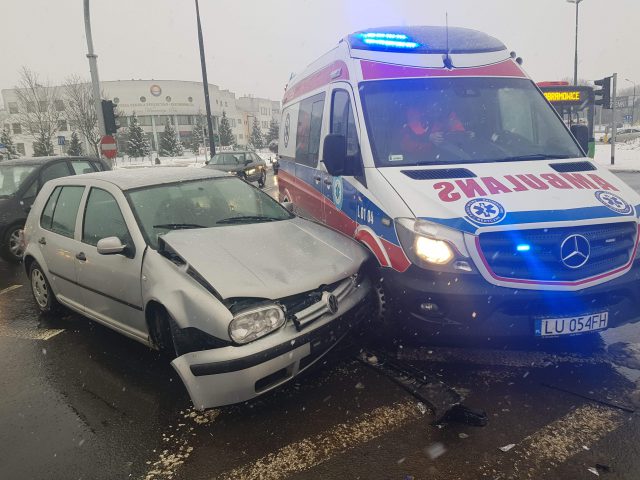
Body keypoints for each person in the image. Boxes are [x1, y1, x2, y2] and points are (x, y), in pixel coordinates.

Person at [400, 102, 469, 156]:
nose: (435, 109)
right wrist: (428, 138)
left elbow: (459, 133)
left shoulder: (448, 113)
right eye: (432, 109)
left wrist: (467, 135)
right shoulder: (414, 115)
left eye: (437, 108)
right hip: (415, 162)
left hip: (450, 160)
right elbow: (408, 143)